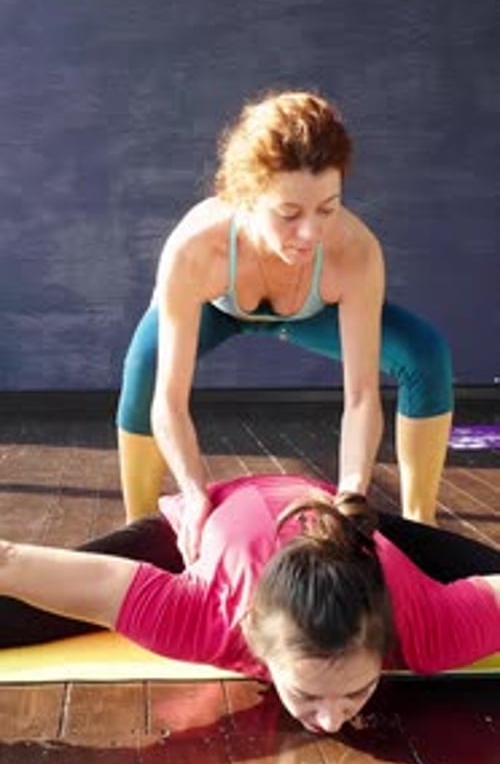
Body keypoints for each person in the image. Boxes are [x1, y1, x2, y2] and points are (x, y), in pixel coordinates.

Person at [116, 90, 453, 560]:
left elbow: (360, 398)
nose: (311, 232)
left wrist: (351, 495)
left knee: (424, 353)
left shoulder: (355, 251)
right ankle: (138, 532)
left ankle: (422, 525)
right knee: (146, 364)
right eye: (289, 214)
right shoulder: (195, 249)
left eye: (328, 209)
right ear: (245, 198)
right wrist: (193, 493)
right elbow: (169, 402)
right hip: (218, 307)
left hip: (311, 313)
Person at [0, 474, 498, 735]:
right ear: (257, 644)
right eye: (307, 694)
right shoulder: (203, 615)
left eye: (357, 691)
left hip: (341, 519)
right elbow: (12, 562)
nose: (333, 720)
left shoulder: (430, 628)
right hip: (211, 517)